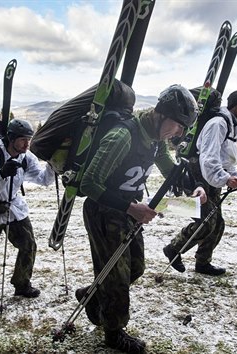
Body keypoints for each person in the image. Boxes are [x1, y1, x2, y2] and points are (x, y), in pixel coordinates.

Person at [77, 84, 205, 354]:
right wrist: (129, 207)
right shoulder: (123, 136)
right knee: (117, 277)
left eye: (184, 128)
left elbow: (171, 170)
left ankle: (91, 293)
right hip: (105, 212)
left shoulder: (155, 140)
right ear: (161, 114)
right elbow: (89, 183)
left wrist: (193, 188)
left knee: (135, 268)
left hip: (128, 212)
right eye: (178, 125)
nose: (179, 133)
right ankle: (113, 333)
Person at [163, 89, 237, 276]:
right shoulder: (218, 124)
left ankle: (203, 263)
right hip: (199, 176)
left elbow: (225, 159)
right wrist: (225, 178)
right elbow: (208, 158)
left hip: (212, 177)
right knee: (207, 221)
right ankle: (173, 248)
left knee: (217, 223)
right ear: (234, 104)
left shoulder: (231, 124)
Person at [0, 119, 54, 297]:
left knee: (28, 244)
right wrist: (1, 174)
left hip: (13, 208)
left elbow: (42, 179)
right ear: (11, 138)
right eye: (23, 140)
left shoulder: (25, 156)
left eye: (28, 140)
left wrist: (53, 164)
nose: (26, 144)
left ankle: (22, 284)